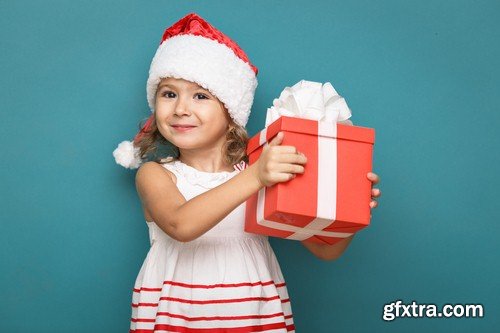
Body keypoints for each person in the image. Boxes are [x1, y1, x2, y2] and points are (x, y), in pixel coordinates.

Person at [113, 13, 381, 333]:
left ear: (231, 112)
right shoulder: (156, 174)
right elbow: (180, 224)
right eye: (169, 93)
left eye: (200, 95)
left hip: (253, 318)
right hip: (178, 319)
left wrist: (349, 208)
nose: (181, 108)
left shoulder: (260, 172)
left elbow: (327, 249)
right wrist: (256, 177)